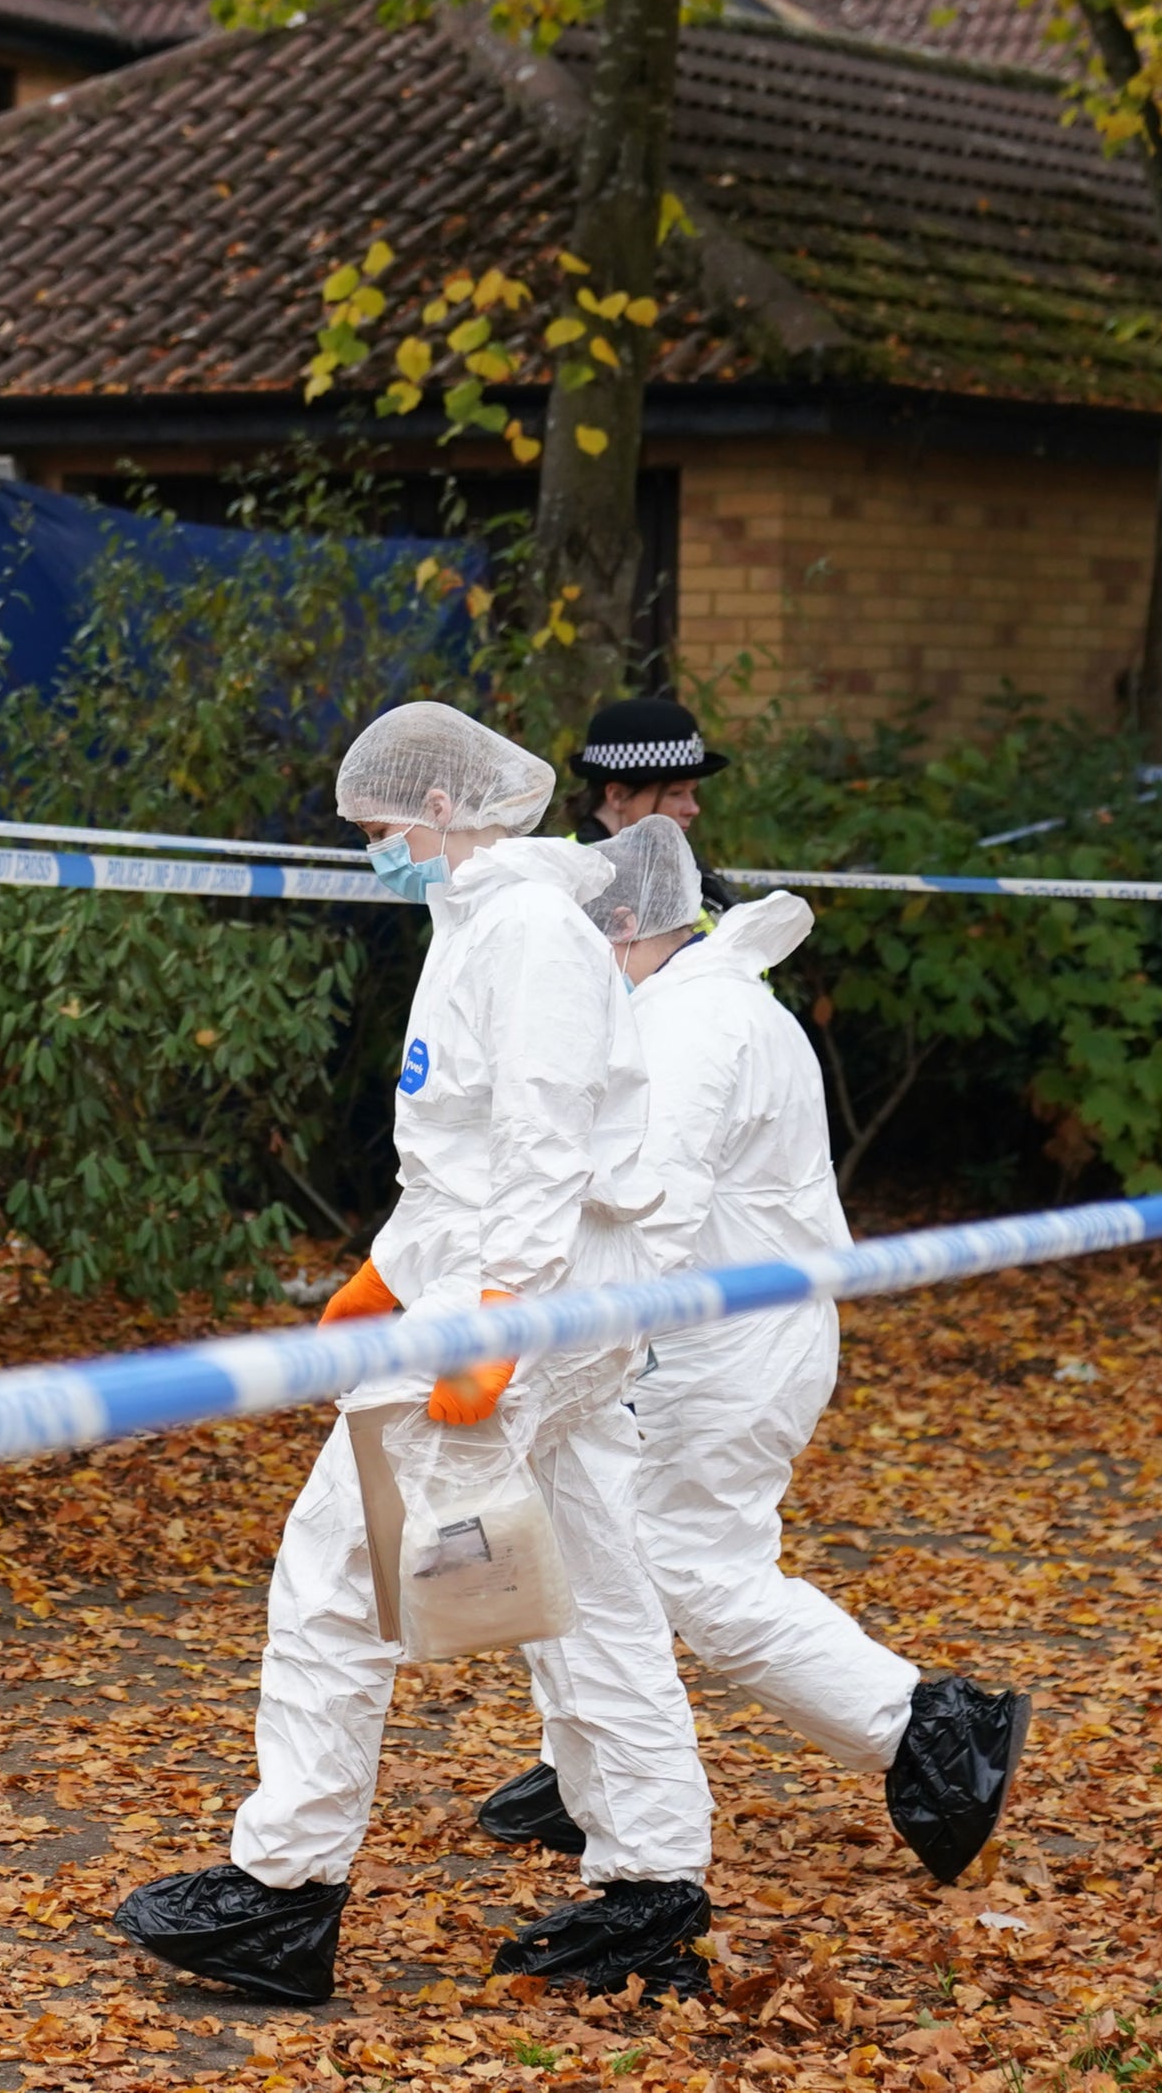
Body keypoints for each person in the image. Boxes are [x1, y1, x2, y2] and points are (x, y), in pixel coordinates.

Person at [112, 701, 717, 2005]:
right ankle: (654, 1886)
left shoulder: (530, 930)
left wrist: (494, 1316)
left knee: (334, 1568)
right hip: (540, 1295)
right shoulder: (482, 921)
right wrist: (387, 1269)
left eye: (381, 823)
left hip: (533, 1302)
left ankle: (283, 1890)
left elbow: (547, 1144)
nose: (373, 846)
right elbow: (465, 1151)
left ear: (443, 808)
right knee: (592, 1588)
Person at [473, 816, 1032, 1883]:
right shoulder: (701, 999)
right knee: (605, 1548)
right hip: (722, 1331)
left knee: (692, 1566)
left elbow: (649, 1208)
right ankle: (586, 1769)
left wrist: (560, 1334)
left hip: (725, 1344)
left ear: (625, 925)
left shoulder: (693, 1027)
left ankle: (923, 1730)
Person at [571, 695, 736, 914]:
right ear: (617, 796)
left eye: (692, 791)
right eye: (676, 793)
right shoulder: (577, 880)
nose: (693, 808)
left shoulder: (675, 866)